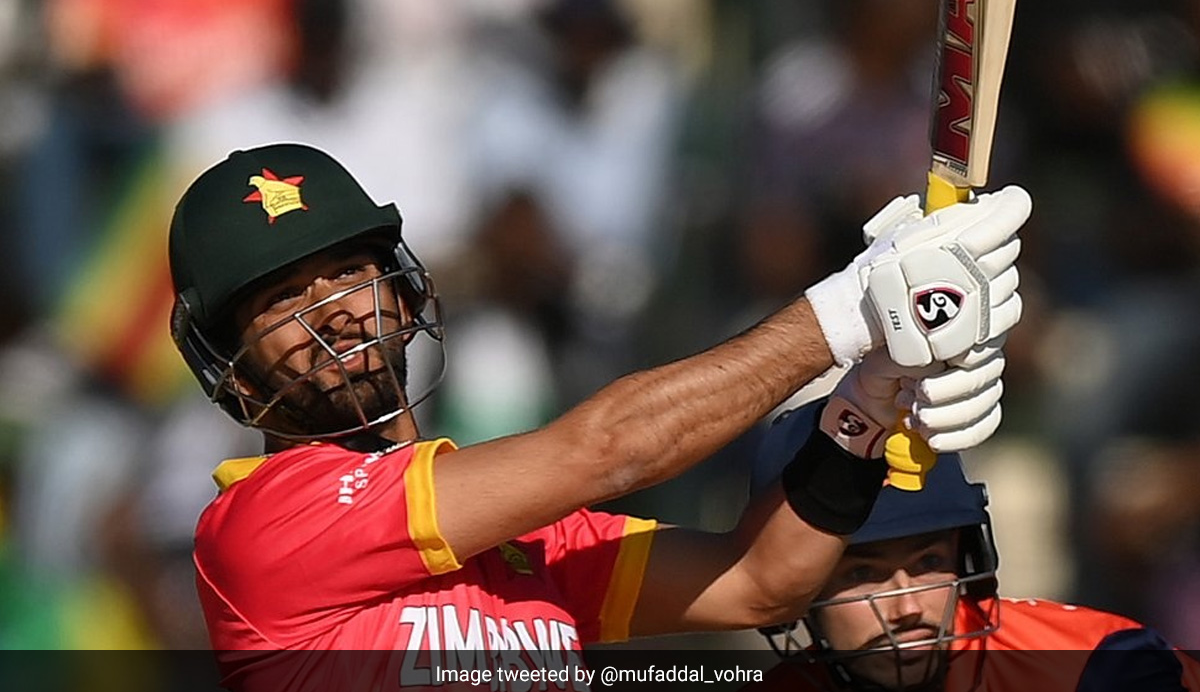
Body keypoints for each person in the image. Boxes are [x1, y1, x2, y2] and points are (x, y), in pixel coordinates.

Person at [167, 142, 1030, 688]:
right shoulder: (260, 527)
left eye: (349, 272)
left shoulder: (522, 538)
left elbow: (762, 582)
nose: (333, 312)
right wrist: (850, 312)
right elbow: (609, 450)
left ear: (403, 292)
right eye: (282, 300)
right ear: (227, 367)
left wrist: (867, 402)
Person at [746, 406, 1200, 692]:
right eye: (862, 574)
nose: (906, 609)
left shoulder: (1097, 666)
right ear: (797, 589)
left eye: (929, 562)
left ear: (967, 558)